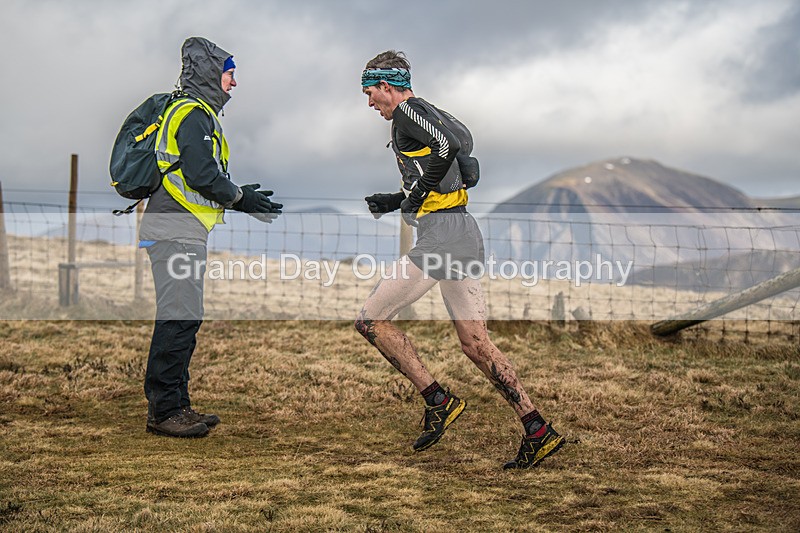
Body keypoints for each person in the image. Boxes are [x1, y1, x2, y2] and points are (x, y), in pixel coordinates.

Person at [355, 50, 563, 468]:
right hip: (462, 231)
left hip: (442, 238)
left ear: (386, 86)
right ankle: (537, 428)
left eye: (369, 92)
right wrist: (397, 198)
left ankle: (438, 399)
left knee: (370, 320)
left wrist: (412, 197)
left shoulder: (406, 114)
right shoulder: (432, 112)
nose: (369, 103)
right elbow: (460, 165)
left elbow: (446, 149)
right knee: (474, 343)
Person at [139, 37, 282, 438]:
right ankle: (165, 411)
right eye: (230, 73)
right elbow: (202, 176)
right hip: (174, 231)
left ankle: (176, 405)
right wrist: (241, 198)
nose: (233, 83)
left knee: (184, 315)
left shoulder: (192, 113)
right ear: (210, 73)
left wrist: (238, 193)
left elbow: (197, 175)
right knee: (179, 316)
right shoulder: (193, 115)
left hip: (177, 229)